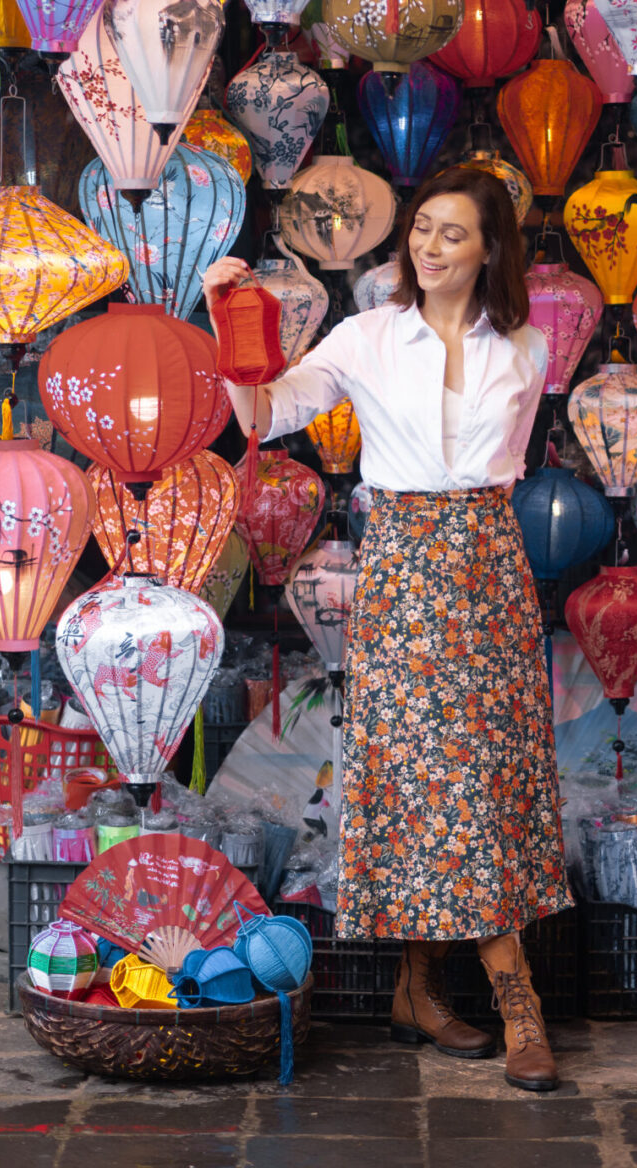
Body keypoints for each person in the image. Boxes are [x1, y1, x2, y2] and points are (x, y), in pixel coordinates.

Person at [203, 165, 572, 1092]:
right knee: (431, 779)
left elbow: (506, 470)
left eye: (453, 233)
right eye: (422, 230)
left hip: (489, 563)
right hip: (405, 565)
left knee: (488, 772)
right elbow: (270, 410)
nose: (430, 246)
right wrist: (228, 324)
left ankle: (416, 987)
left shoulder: (525, 346)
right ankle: (517, 1001)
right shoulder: (367, 336)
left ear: (491, 247)